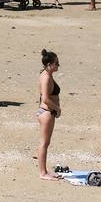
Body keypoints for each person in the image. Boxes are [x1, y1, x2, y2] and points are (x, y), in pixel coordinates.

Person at [37, 50, 62, 179]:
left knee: (46, 143)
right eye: (56, 63)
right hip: (47, 112)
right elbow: (45, 98)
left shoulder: (46, 75)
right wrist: (57, 109)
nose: (58, 65)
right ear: (49, 64)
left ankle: (45, 170)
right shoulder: (46, 77)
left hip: (47, 112)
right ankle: (42, 173)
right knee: (44, 143)